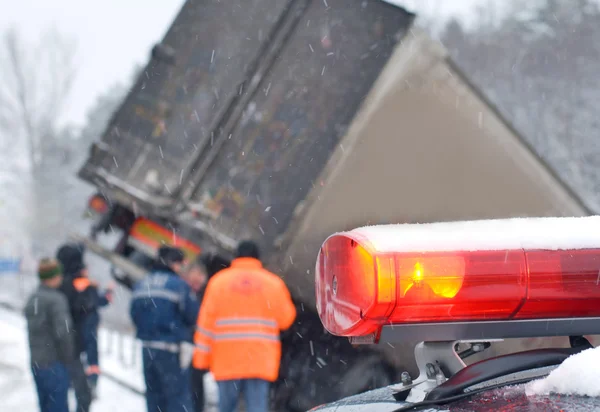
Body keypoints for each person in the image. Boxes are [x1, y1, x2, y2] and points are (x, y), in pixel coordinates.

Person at [193, 240, 297, 412]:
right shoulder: (273, 284)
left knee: (227, 408)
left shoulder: (218, 283)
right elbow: (287, 319)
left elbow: (205, 325)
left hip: (227, 360)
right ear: (257, 258)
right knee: (257, 408)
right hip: (259, 361)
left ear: (236, 257)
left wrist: (201, 360)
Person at [130, 246, 200, 412]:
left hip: (147, 349)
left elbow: (134, 313)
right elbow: (192, 315)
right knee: (177, 400)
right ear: (173, 264)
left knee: (154, 399)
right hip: (171, 351)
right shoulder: (178, 285)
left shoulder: (142, 284)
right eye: (181, 264)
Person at [56, 243, 113, 399]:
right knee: (90, 357)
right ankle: (89, 385)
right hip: (86, 328)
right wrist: (108, 292)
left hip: (70, 329)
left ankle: (73, 384)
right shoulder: (85, 284)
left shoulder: (61, 284)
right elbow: (100, 301)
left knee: (73, 357)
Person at [24, 258, 74, 412]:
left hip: (37, 363)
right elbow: (63, 333)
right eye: (58, 274)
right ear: (52, 277)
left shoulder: (33, 298)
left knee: (45, 406)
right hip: (54, 363)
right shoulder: (56, 300)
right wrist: (68, 359)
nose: (60, 277)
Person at [186, 253, 231, 412]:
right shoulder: (184, 293)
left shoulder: (205, 294)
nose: (198, 279)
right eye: (195, 274)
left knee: (194, 385)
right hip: (190, 348)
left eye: (201, 275)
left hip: (199, 350)